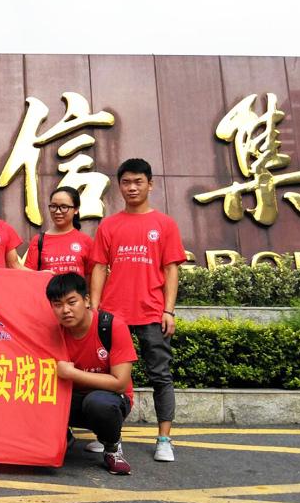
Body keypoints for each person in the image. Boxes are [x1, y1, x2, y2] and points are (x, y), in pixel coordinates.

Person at [90, 158, 186, 463]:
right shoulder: (109, 225)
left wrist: (169, 310)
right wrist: (95, 308)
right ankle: (107, 435)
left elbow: (171, 269)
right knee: (106, 375)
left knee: (160, 375)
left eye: (138, 182)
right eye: (126, 182)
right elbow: (99, 267)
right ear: (119, 186)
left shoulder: (165, 224)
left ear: (150, 184)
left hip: (152, 313)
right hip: (113, 313)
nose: (132, 187)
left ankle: (164, 439)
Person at [47, 272, 136, 475]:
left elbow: (120, 383)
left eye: (72, 302)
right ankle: (62, 437)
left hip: (109, 400)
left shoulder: (111, 326)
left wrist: (72, 373)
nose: (65, 310)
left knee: (98, 403)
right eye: (57, 305)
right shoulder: (52, 332)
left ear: (86, 300)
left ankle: (112, 448)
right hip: (70, 399)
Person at [24, 185, 94, 277]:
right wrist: (40, 275)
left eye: (64, 207)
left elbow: (92, 276)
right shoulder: (39, 240)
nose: (57, 211)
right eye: (53, 206)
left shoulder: (86, 241)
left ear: (76, 209)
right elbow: (28, 275)